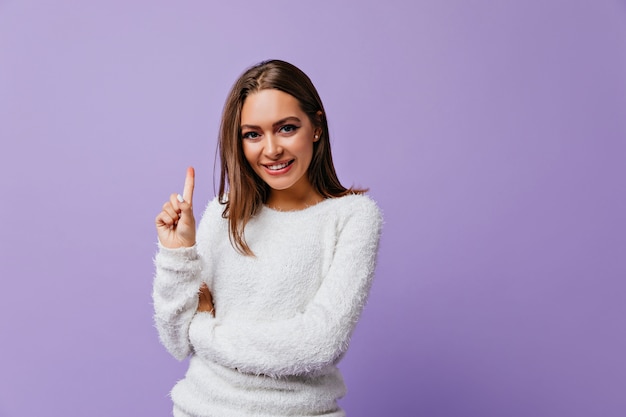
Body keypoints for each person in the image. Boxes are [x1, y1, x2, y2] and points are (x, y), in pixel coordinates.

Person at [153, 59, 383, 417]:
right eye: (253, 134)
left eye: (287, 128)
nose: (271, 149)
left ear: (316, 127)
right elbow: (175, 341)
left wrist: (204, 330)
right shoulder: (223, 212)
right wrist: (177, 256)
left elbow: (318, 343)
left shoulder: (353, 217)